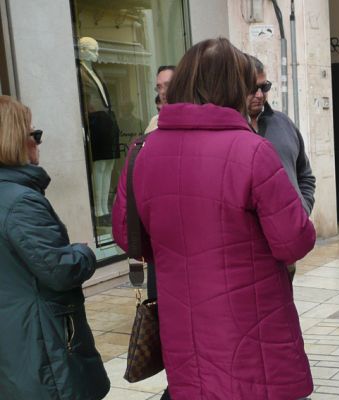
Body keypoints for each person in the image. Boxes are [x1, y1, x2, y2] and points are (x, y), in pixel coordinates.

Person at [111, 38, 317, 400]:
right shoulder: (253, 151)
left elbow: (129, 238)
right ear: (236, 88)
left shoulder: (142, 151)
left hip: (183, 327)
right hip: (255, 332)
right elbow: (294, 241)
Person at [0, 96, 110, 400]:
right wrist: (84, 252)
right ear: (13, 140)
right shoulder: (20, 202)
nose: (38, 142)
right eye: (34, 135)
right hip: (38, 339)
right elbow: (59, 270)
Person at [248, 55, 316, 215]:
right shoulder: (230, 131)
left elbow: (305, 175)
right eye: (252, 88)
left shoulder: (284, 123)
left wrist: (303, 210)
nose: (259, 95)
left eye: (264, 88)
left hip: (294, 230)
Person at [78, 36, 120, 226]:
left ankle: (104, 207)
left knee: (109, 164)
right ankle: (98, 209)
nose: (97, 54)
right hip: (95, 122)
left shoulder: (95, 72)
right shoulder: (80, 73)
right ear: (83, 51)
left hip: (106, 121)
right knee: (99, 166)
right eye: (93, 50)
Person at [144, 65, 175, 133]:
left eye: (168, 85)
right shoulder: (154, 122)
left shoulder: (192, 119)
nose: (162, 92)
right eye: (159, 87)